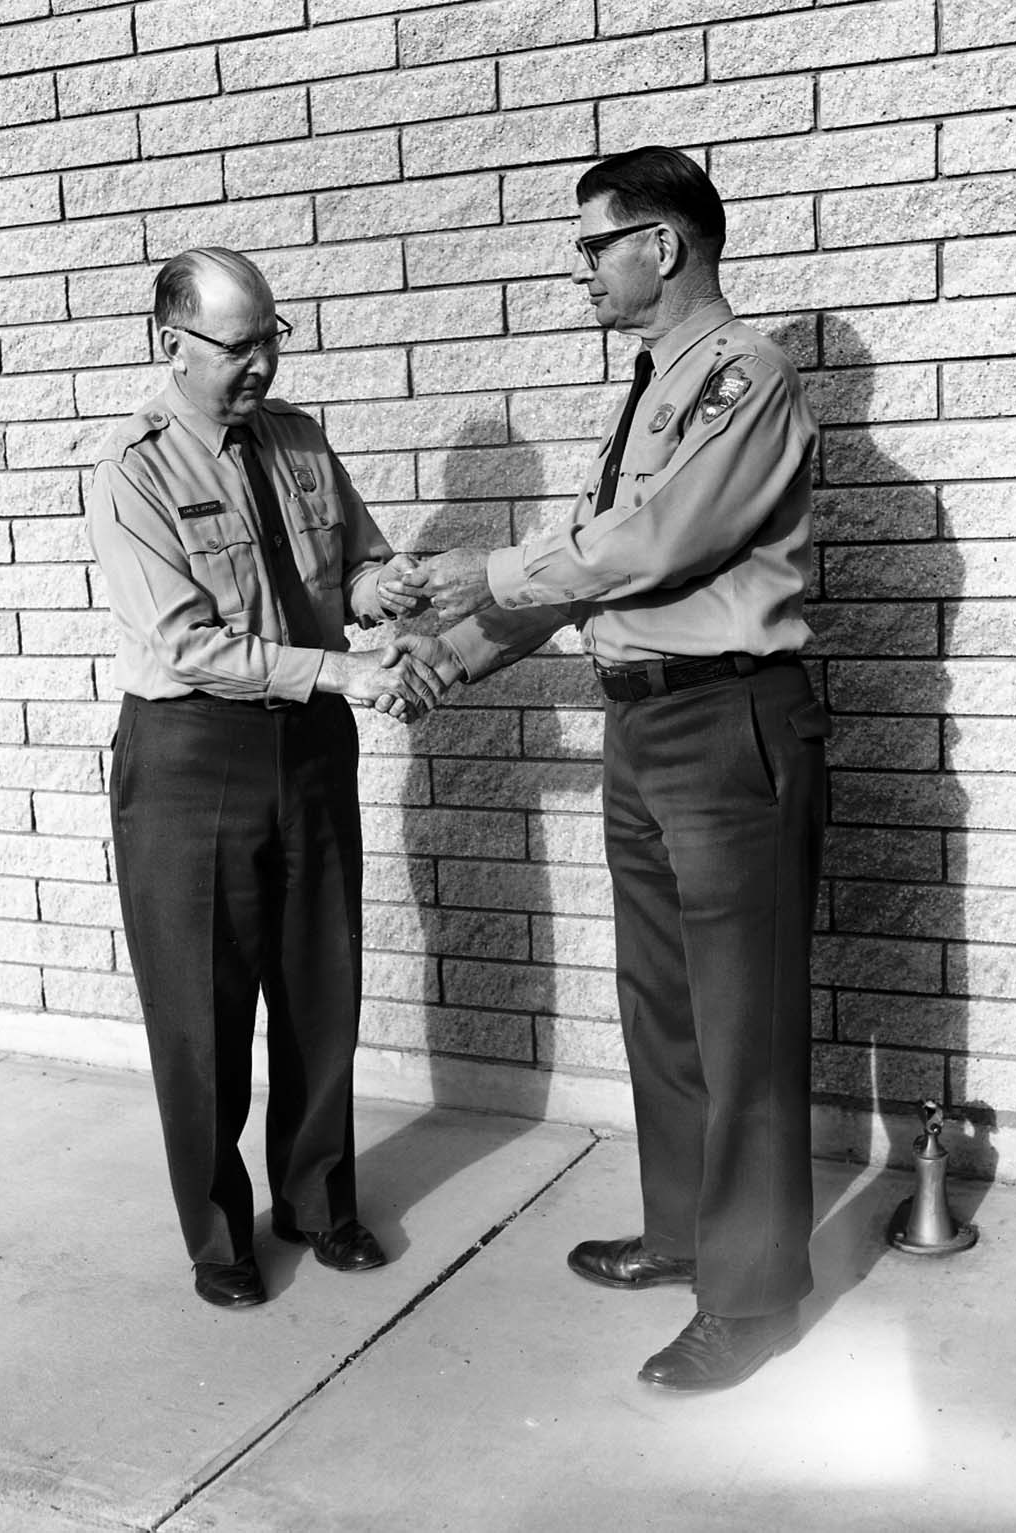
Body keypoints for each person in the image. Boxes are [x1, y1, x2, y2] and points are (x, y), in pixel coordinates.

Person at [388, 147, 830, 1390]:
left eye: (594, 244)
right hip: (646, 721)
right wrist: (449, 657)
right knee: (665, 1006)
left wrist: (491, 570)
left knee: (741, 1020)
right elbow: (597, 573)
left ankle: (753, 1298)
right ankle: (688, 1234)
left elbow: (654, 543)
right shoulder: (653, 388)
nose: (580, 268)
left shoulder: (745, 374)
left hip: (730, 719)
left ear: (665, 245)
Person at [87, 246, 445, 1309]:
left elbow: (353, 567)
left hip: (311, 746)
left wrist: (390, 588)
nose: (262, 367)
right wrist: (345, 668)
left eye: (271, 340)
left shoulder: (298, 440)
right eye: (239, 346)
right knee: (200, 1009)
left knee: (321, 983)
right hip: (195, 751)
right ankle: (217, 1235)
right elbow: (188, 643)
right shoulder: (133, 469)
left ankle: (318, 1201)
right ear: (172, 345)